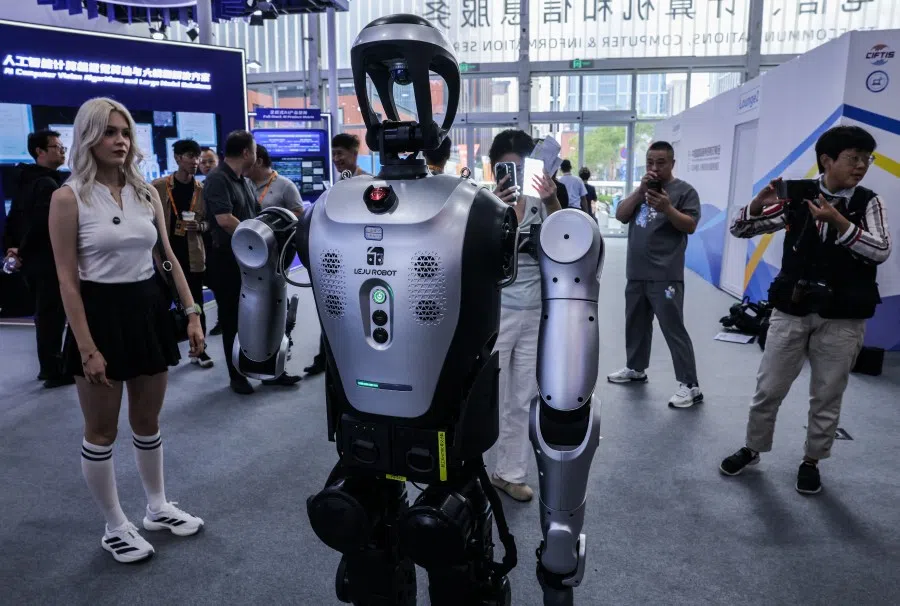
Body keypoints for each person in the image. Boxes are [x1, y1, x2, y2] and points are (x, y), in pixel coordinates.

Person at [48, 97, 205, 563]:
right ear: (88, 138)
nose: (120, 141)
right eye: (109, 132)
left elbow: (168, 258)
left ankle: (157, 507)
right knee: (101, 430)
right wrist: (86, 346)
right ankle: (115, 524)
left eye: (125, 132)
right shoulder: (68, 196)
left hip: (149, 310)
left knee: (147, 420)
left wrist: (192, 312)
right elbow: (66, 279)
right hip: (98, 315)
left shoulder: (146, 192)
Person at [720, 125, 891, 495]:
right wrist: (756, 204)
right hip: (791, 309)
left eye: (867, 159)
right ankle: (753, 448)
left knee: (827, 394)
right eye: (853, 158)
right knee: (769, 388)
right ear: (826, 160)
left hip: (843, 317)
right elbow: (739, 229)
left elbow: (880, 250)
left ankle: (812, 460)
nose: (861, 166)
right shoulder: (799, 197)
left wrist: (840, 222)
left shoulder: (868, 202)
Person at [489, 129, 562, 502]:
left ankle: (509, 472)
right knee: (489, 398)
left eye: (520, 168)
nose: (513, 177)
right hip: (496, 312)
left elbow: (569, 239)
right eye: (505, 169)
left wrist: (550, 202)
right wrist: (502, 211)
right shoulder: (487, 204)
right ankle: (469, 468)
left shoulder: (547, 199)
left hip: (535, 311)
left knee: (522, 397)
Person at [607, 140, 703, 408]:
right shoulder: (642, 191)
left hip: (665, 274)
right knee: (635, 324)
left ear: (672, 164)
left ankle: (690, 385)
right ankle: (635, 368)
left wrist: (667, 208)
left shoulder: (685, 192)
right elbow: (621, 215)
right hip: (636, 272)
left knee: (673, 328)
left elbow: (690, 225)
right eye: (650, 162)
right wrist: (639, 193)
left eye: (661, 163)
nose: (655, 168)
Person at [6, 129, 73, 387]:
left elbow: (14, 218)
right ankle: (53, 370)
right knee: (52, 315)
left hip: (32, 260)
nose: (62, 150)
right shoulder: (47, 183)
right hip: (47, 260)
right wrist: (20, 249)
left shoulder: (25, 178)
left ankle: (49, 367)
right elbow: (40, 223)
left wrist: (13, 249)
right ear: (40, 152)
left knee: (46, 315)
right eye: (56, 146)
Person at [304, 133, 371, 377]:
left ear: (355, 153)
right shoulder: (339, 183)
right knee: (331, 309)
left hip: (361, 260)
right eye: (333, 154)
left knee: (356, 313)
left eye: (340, 153)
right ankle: (326, 359)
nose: (336, 159)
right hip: (337, 260)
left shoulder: (369, 184)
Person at [202, 130, 260, 394]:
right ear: (246, 152)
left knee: (255, 317)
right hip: (227, 261)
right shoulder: (217, 179)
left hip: (250, 259)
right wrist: (256, 240)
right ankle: (237, 375)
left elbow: (256, 215)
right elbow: (225, 220)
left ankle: (265, 366)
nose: (257, 155)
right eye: (255, 150)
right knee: (232, 320)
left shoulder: (245, 181)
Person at [151, 139, 214, 368]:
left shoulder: (203, 190)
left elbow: (211, 222)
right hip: (165, 256)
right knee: (160, 303)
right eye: (190, 156)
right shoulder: (158, 186)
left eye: (197, 157)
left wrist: (201, 227)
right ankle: (162, 350)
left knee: (196, 304)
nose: (195, 162)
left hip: (193, 255)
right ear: (178, 158)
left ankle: (200, 349)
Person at [245, 143, 302, 386]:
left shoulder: (285, 186)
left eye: (247, 160)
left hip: (276, 262)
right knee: (252, 310)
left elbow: (299, 216)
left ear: (258, 161)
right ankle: (251, 360)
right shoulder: (245, 185)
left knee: (277, 311)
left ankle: (278, 366)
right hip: (250, 261)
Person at [199, 146, 222, 335]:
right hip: (205, 243)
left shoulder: (222, 183)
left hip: (221, 243)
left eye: (210, 161)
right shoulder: (201, 186)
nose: (207, 165)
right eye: (203, 162)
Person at [248, 144, 304, 218]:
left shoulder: (286, 185)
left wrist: (275, 220)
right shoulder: (243, 183)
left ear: (259, 162)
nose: (242, 165)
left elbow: (300, 213)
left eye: (247, 162)